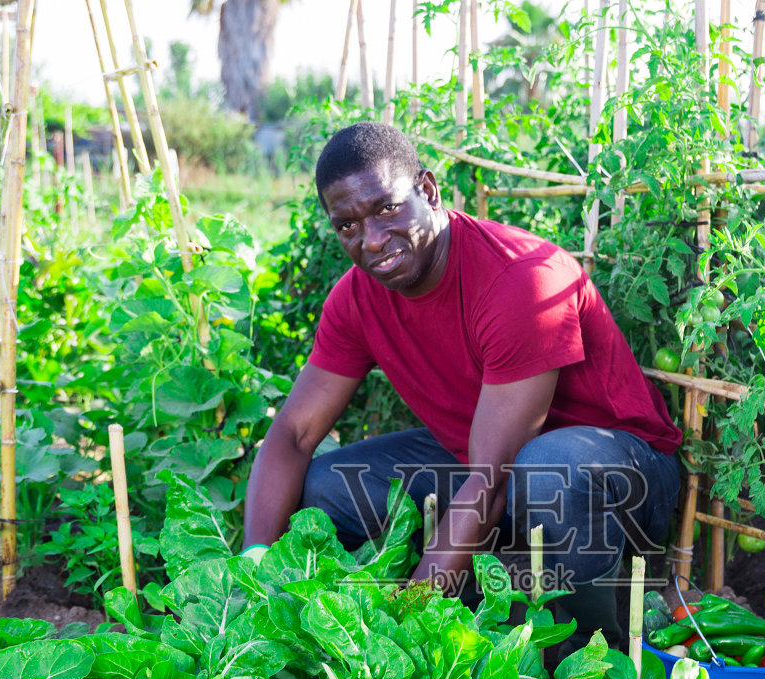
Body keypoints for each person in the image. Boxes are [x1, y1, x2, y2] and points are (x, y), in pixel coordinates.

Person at [242, 121, 682, 647]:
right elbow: (293, 433)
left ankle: (589, 651)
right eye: (348, 226)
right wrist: (254, 574)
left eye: (386, 208)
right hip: (486, 465)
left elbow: (492, 476)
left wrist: (408, 623)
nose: (373, 240)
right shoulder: (357, 298)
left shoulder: (519, 280)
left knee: (547, 470)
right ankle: (489, 583)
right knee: (326, 488)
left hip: (618, 479)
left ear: (427, 190)